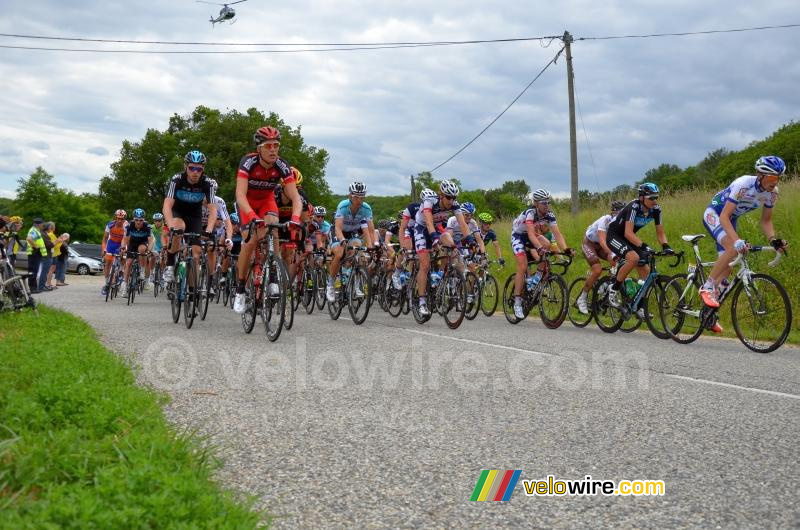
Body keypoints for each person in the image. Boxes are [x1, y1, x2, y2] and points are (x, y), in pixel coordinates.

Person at [698, 156, 787, 329]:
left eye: (778, 178)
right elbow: (724, 216)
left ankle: (707, 315)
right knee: (733, 247)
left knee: (728, 266)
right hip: (715, 214)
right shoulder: (743, 184)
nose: (774, 182)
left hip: (731, 220)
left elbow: (766, 221)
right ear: (760, 175)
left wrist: (773, 240)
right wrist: (737, 240)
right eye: (771, 177)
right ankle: (706, 288)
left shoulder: (772, 193)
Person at [233, 126, 302, 314]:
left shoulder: (282, 165)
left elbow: (295, 197)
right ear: (259, 149)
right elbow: (240, 194)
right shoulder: (248, 162)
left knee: (273, 227)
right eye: (268, 145)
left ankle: (272, 276)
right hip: (247, 203)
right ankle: (240, 289)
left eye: (276, 145)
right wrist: (252, 216)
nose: (273, 149)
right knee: (250, 241)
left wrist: (295, 218)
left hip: (266, 201)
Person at [605, 183, 673, 308]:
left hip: (628, 237)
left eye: (656, 197)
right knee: (634, 258)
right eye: (651, 198)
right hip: (614, 235)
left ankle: (637, 305)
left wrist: (666, 246)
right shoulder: (634, 207)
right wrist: (644, 246)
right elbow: (628, 232)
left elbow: (660, 232)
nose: (654, 201)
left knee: (647, 274)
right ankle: (613, 290)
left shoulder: (656, 209)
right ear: (642, 197)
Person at [509, 189, 574, 320]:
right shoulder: (530, 213)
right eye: (544, 203)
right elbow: (531, 234)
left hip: (532, 235)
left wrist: (566, 249)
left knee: (548, 244)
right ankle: (517, 302)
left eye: (548, 202)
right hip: (519, 236)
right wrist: (538, 248)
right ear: (536, 203)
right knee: (522, 265)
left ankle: (536, 277)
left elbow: (557, 234)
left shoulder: (549, 214)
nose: (546, 205)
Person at [413, 180, 470, 317]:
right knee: (425, 265)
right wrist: (434, 238)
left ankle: (442, 277)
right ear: (441, 195)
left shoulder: (455, 205)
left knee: (453, 248)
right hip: (422, 229)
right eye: (449, 197)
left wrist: (471, 240)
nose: (451, 201)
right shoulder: (429, 201)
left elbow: (462, 224)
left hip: (437, 229)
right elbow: (427, 221)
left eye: (454, 198)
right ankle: (421, 301)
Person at [162, 150, 218, 287]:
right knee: (177, 228)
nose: (195, 172)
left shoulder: (207, 183)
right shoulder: (177, 179)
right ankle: (170, 265)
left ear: (203, 170)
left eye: (199, 169)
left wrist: (209, 230)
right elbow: (167, 205)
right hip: (178, 212)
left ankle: (193, 290)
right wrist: (170, 227)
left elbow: (212, 209)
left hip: (195, 215)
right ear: (185, 167)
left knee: (196, 254)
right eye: (191, 168)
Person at [326, 181, 375, 302]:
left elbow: (371, 230)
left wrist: (372, 246)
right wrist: (342, 240)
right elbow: (337, 227)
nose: (359, 200)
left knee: (360, 253)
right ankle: (331, 284)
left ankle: (357, 284)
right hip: (339, 232)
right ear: (350, 196)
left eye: (362, 197)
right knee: (339, 253)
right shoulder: (343, 206)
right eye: (356, 197)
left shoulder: (366, 208)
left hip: (353, 232)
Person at [575, 201, 624, 314]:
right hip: (590, 244)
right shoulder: (605, 219)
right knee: (597, 270)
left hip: (603, 245)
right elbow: (602, 240)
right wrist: (611, 254)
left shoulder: (621, 224)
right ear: (613, 213)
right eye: (619, 214)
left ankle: (605, 283)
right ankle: (581, 299)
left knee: (618, 262)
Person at [119, 208, 154, 297]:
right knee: (128, 263)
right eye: (136, 220)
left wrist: (149, 250)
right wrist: (123, 247)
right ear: (134, 219)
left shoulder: (147, 226)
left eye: (141, 220)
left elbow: (151, 241)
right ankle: (125, 286)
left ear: (143, 220)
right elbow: (125, 239)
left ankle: (142, 270)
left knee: (141, 249)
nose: (138, 222)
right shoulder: (129, 226)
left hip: (143, 243)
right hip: (132, 244)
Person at [101, 210, 128, 296]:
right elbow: (105, 239)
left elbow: (127, 240)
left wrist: (124, 249)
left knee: (124, 261)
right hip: (111, 244)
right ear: (115, 217)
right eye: (118, 218)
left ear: (124, 218)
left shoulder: (126, 226)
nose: (120, 220)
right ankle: (107, 283)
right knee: (108, 262)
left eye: (122, 219)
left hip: (122, 244)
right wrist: (103, 249)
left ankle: (122, 276)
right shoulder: (110, 224)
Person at [26, 218, 46, 293]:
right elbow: (29, 239)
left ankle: (33, 287)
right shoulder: (33, 231)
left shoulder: (36, 230)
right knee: (33, 271)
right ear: (38, 224)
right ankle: (32, 288)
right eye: (42, 224)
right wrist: (35, 246)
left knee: (34, 270)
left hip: (35, 254)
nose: (43, 225)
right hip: (34, 253)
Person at [38, 222, 55, 292]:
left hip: (46, 255)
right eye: (51, 227)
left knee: (45, 271)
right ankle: (41, 286)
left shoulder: (43, 234)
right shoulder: (43, 234)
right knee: (44, 272)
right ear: (48, 227)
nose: (51, 229)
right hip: (46, 255)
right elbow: (49, 245)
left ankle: (42, 285)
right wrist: (56, 241)